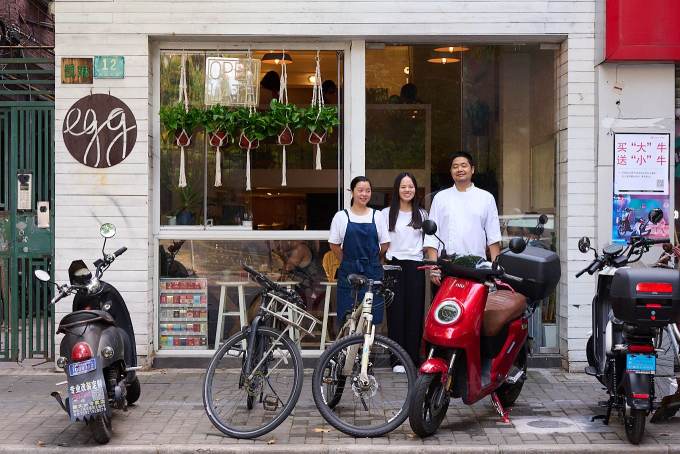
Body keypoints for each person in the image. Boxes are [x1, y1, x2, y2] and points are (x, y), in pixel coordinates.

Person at [424, 151, 502, 285]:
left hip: (477, 267)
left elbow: (493, 237)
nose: (459, 169)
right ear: (451, 171)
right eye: (455, 166)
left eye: (464, 165)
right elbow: (432, 236)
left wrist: (495, 269)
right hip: (446, 266)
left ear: (472, 169)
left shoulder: (486, 198)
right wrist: (433, 266)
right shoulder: (440, 198)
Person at [381, 172, 427, 371]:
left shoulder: (422, 214)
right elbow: (381, 242)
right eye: (403, 186)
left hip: (416, 266)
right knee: (395, 312)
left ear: (415, 189)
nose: (407, 190)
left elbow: (428, 243)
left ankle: (413, 358)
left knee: (415, 312)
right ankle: (397, 360)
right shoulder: (385, 214)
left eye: (411, 186)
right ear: (397, 189)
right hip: (393, 266)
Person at [329, 176, 390, 326]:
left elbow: (385, 244)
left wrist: (373, 260)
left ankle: (368, 342)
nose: (364, 194)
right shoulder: (341, 216)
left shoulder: (377, 216)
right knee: (348, 317)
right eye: (360, 190)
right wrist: (347, 261)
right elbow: (334, 244)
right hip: (349, 272)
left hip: (372, 271)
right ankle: (348, 342)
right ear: (352, 192)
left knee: (371, 317)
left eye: (368, 191)